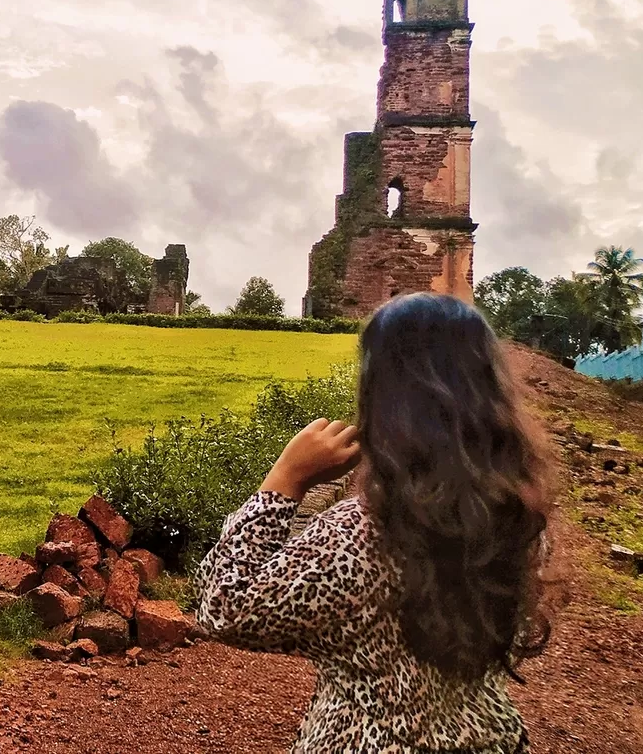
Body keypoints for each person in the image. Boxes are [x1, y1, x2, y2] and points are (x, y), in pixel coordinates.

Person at [194, 292, 553, 754]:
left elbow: (224, 608)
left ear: (382, 397)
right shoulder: (514, 516)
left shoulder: (361, 534)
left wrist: (284, 479)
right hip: (488, 736)